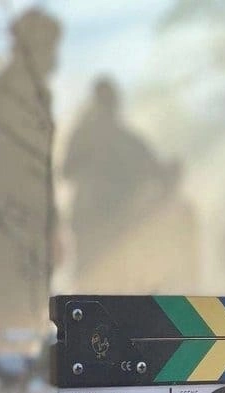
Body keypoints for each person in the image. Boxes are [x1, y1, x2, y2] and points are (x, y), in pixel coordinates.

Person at [0, 8, 61, 353]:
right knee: (4, 321)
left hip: (34, 231)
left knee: (30, 320)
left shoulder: (40, 98)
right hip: (3, 231)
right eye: (48, 46)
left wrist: (53, 225)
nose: (54, 58)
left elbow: (44, 170)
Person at [64, 77, 169, 284]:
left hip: (118, 224)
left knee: (116, 281)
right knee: (90, 280)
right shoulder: (85, 137)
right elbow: (67, 171)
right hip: (92, 223)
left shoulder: (126, 140)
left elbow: (155, 170)